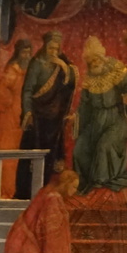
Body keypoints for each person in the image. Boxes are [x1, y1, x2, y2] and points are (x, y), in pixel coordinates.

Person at [73, 37, 127, 194]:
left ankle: (100, 183)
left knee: (104, 146)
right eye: (91, 61)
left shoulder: (115, 70)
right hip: (95, 122)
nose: (94, 63)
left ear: (102, 58)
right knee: (80, 148)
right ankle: (84, 181)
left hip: (115, 120)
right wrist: (77, 121)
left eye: (96, 59)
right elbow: (84, 106)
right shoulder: (89, 80)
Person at [18, 31, 77, 196]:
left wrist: (63, 66)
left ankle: (47, 189)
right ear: (45, 47)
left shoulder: (61, 62)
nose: (53, 52)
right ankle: (29, 191)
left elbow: (72, 81)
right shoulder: (37, 63)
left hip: (55, 118)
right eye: (51, 48)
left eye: (56, 49)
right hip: (38, 117)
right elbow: (28, 90)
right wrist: (28, 112)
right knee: (35, 151)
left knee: (52, 155)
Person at [0, 39, 32, 199]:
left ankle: (20, 190)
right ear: (18, 53)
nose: (27, 56)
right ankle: (7, 190)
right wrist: (8, 104)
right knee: (9, 151)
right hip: (11, 115)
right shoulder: (12, 69)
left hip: (25, 113)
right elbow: (1, 90)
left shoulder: (30, 70)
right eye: (24, 52)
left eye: (29, 52)